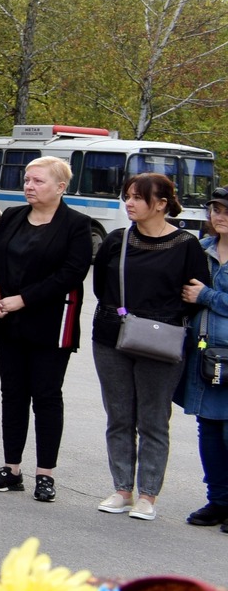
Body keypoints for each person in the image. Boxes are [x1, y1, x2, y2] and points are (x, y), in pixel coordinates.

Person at [89, 171, 207, 521]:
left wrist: (159, 316)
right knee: (119, 416)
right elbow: (100, 287)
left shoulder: (186, 244)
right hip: (111, 337)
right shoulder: (116, 240)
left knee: (153, 420)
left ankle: (147, 496)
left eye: (138, 197)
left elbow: (195, 294)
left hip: (163, 340)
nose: (129, 202)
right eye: (127, 195)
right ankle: (121, 489)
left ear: (161, 203)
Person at [0, 156, 93, 502]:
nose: (29, 186)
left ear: (60, 187)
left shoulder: (76, 224)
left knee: (45, 396)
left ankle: (46, 474)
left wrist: (20, 300)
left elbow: (70, 274)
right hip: (8, 320)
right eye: (27, 180)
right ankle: (12, 468)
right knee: (12, 394)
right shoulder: (12, 217)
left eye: (38, 181)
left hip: (51, 324)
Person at [179, 188, 228, 530]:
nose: (219, 215)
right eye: (215, 208)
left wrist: (206, 295)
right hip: (204, 351)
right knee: (208, 428)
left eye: (226, 209)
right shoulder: (202, 249)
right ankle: (219, 501)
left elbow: (199, 295)